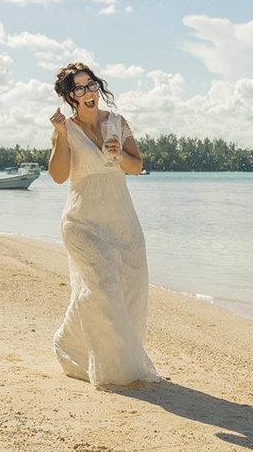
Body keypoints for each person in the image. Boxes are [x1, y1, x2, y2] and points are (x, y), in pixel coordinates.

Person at [47, 62, 160, 387]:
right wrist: (61, 135)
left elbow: (136, 168)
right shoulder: (65, 129)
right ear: (70, 96)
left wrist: (118, 156)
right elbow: (58, 177)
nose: (88, 92)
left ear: (98, 87)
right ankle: (111, 370)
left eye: (91, 84)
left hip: (123, 221)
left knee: (128, 287)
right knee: (102, 285)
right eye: (79, 88)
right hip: (81, 222)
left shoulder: (118, 123)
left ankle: (71, 346)